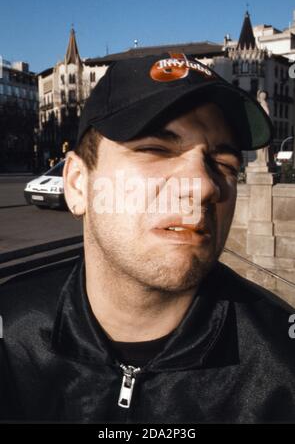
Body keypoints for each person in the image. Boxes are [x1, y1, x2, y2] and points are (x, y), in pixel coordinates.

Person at [0, 53, 294, 423]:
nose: (204, 186)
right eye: (155, 149)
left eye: (224, 165)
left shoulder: (282, 367)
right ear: (77, 184)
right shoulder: (10, 334)